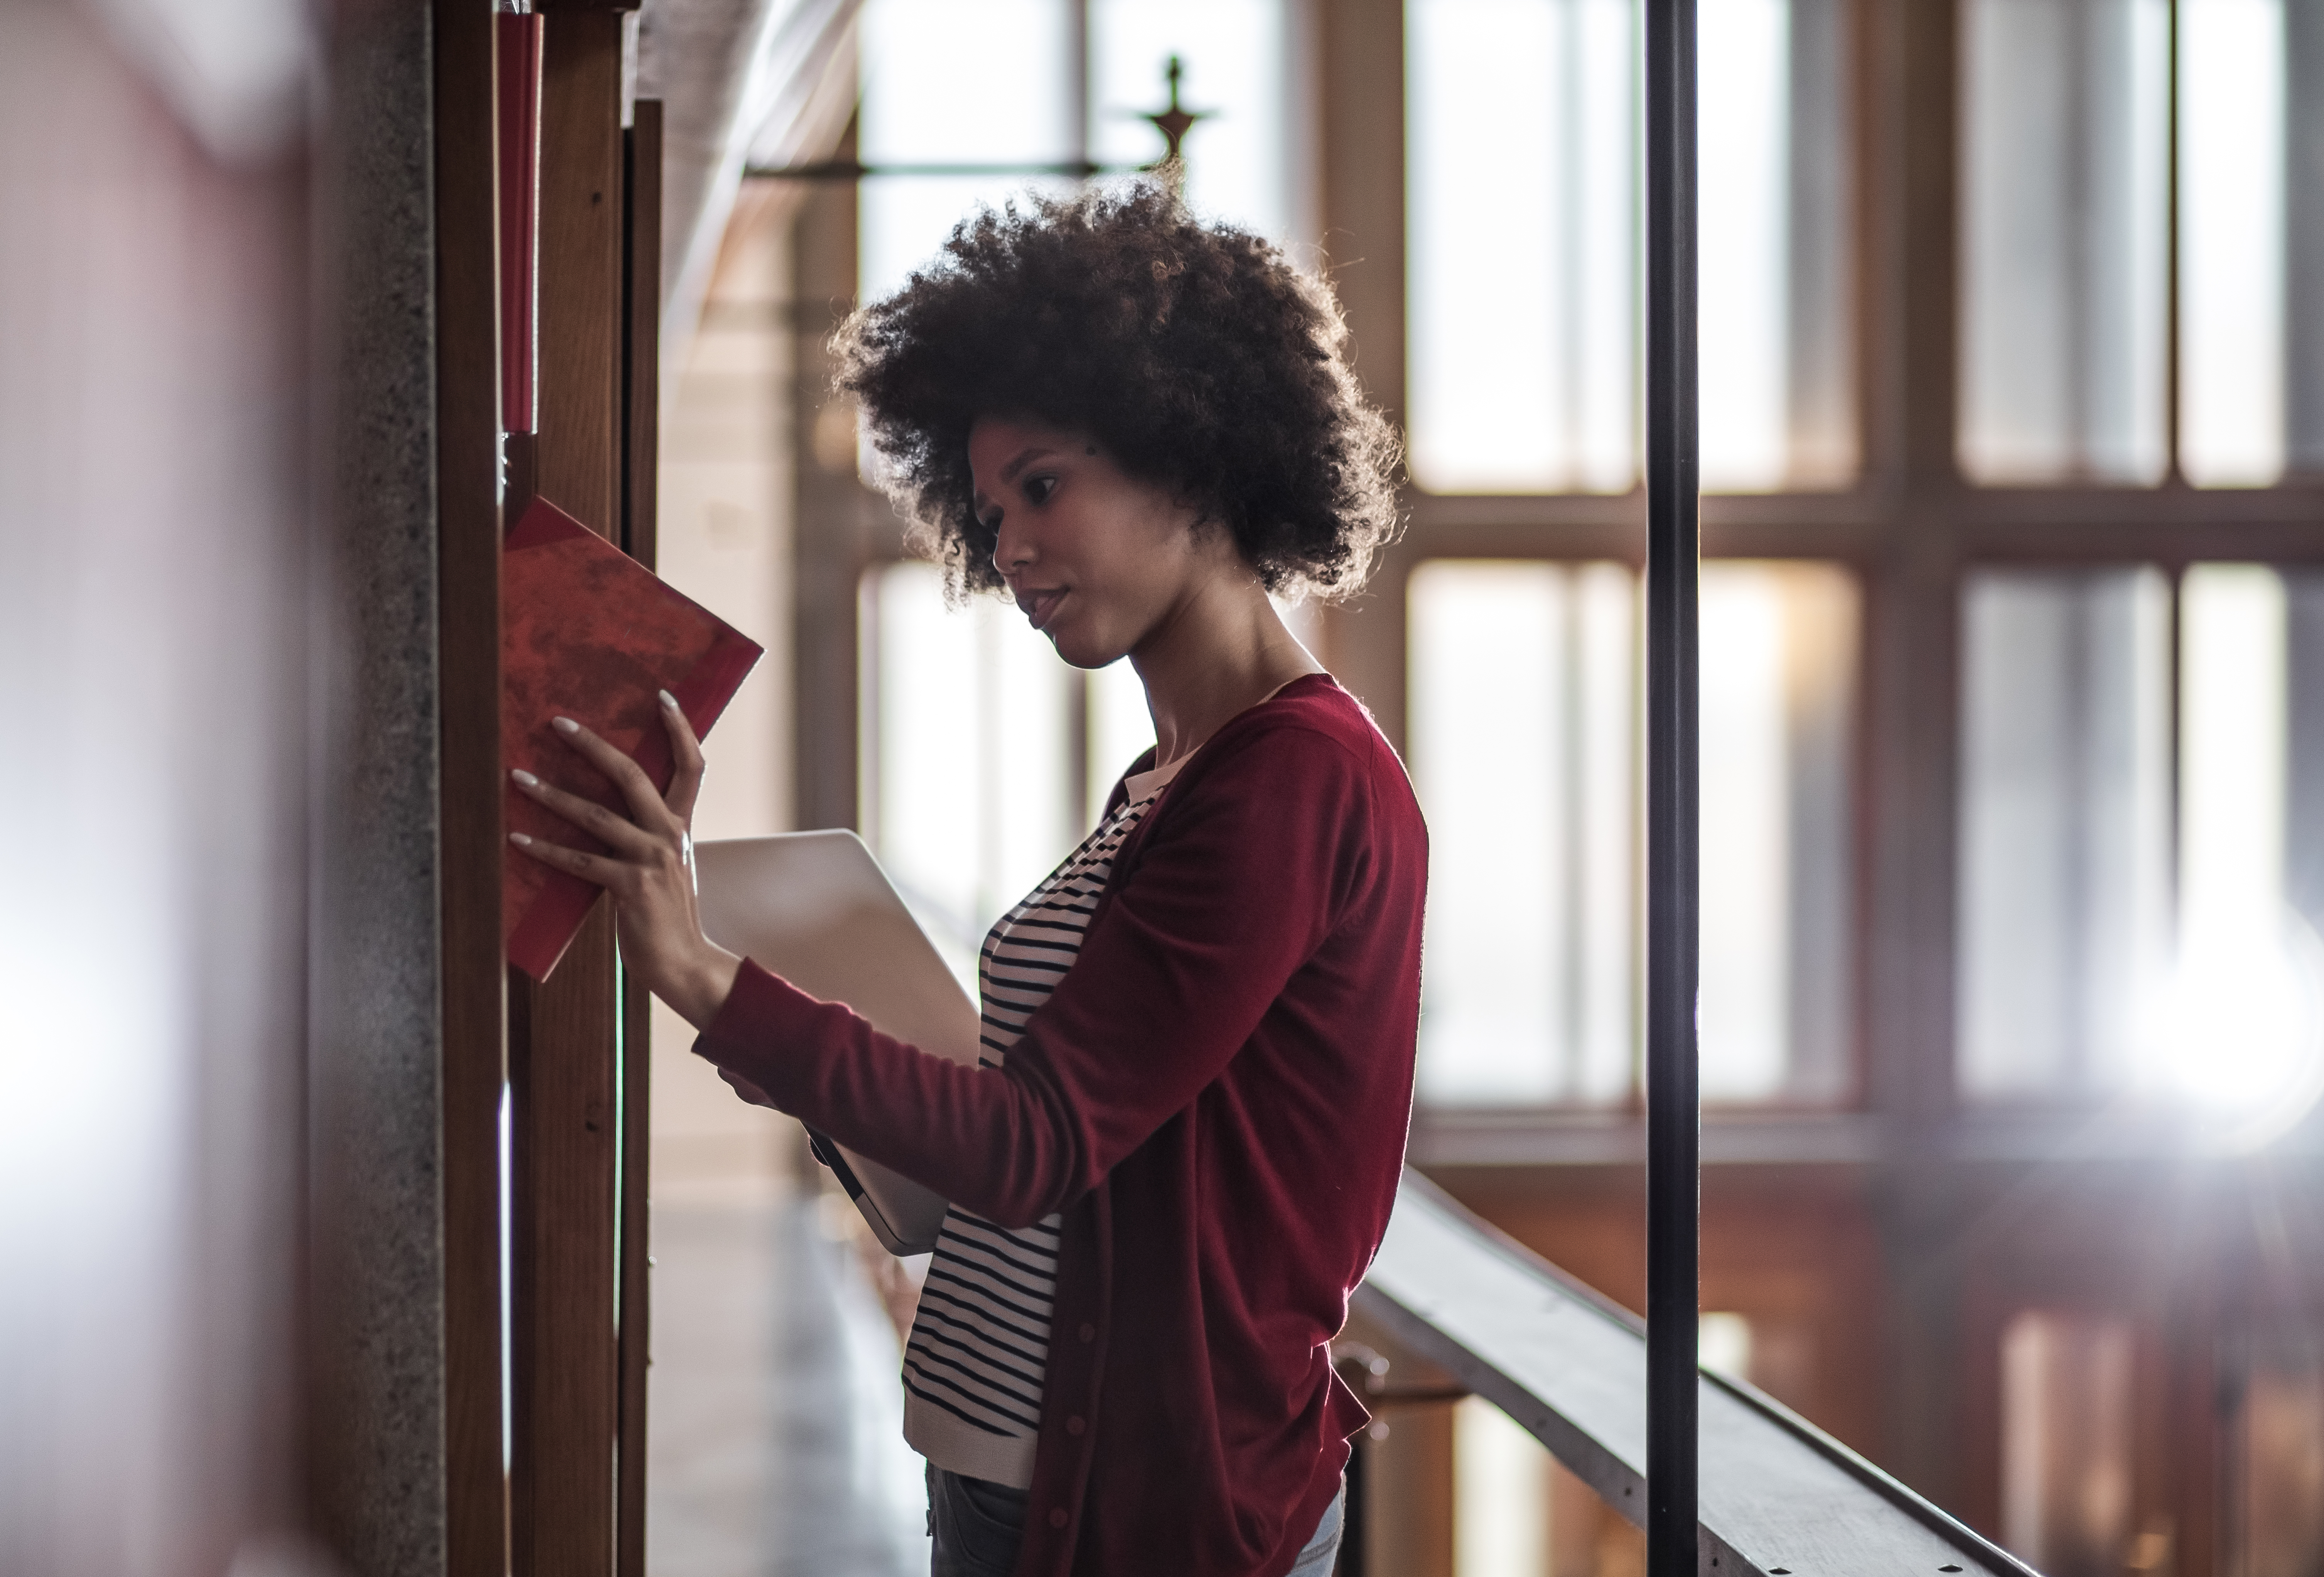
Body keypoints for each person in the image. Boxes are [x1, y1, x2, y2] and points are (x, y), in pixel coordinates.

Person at [510, 182, 1426, 1577]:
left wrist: (701, 975)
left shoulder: (1290, 783)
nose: (1007, 549)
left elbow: (1034, 1146)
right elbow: (1053, 1145)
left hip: (1144, 1513)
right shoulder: (1172, 777)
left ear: (1191, 456)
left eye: (1044, 487)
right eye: (989, 508)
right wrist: (823, 1058)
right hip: (1017, 1477)